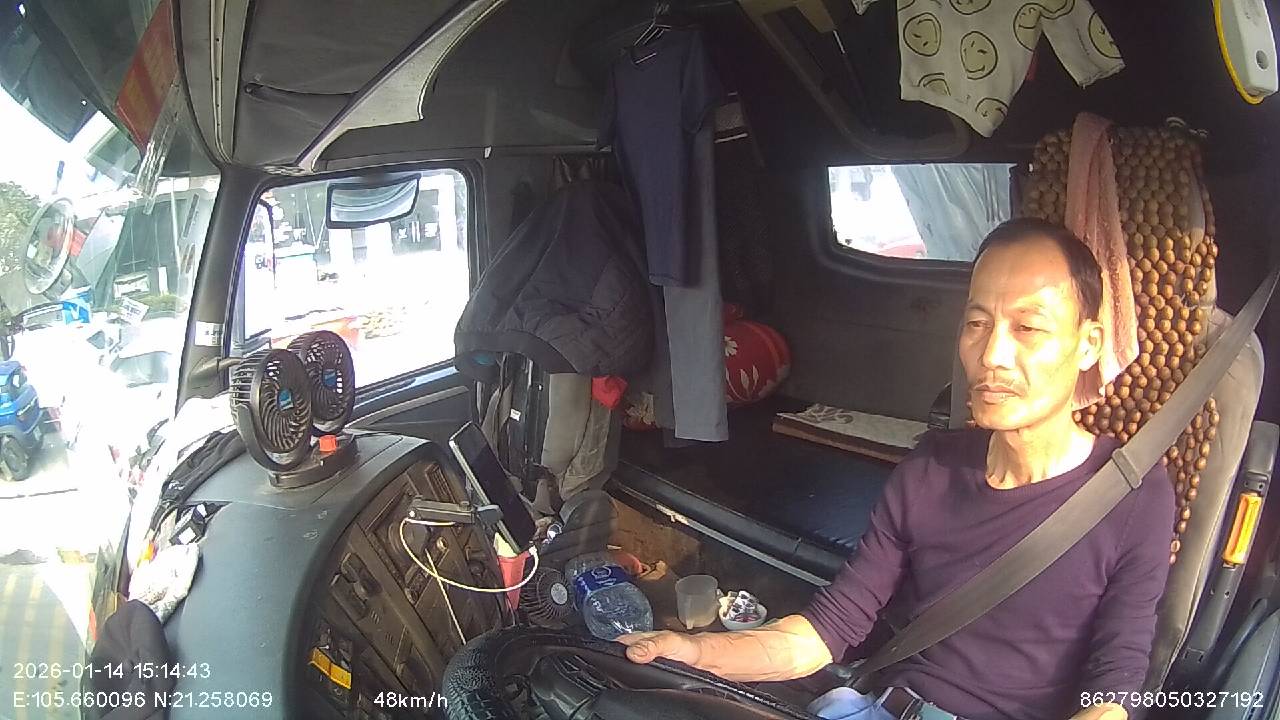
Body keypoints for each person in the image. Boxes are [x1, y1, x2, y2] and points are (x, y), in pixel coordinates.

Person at [617, 219, 1175, 720]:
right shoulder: (931, 467)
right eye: (977, 323)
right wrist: (695, 652)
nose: (991, 355)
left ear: (1088, 344)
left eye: (1028, 328)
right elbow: (825, 631)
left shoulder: (1132, 495)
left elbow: (1115, 684)